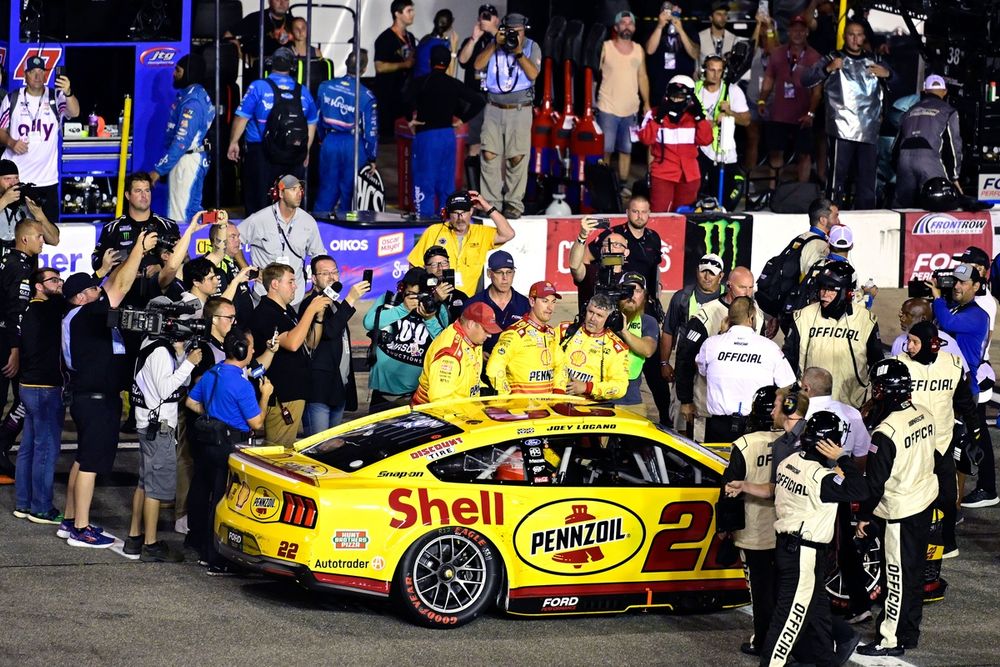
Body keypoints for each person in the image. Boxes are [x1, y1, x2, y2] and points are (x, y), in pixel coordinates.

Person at [729, 411, 867, 667]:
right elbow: (860, 489)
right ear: (830, 444)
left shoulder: (788, 462)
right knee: (788, 620)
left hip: (789, 547)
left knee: (816, 609)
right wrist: (843, 459)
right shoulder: (821, 479)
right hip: (804, 553)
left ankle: (826, 658)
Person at [58, 229, 158, 548]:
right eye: (92, 289)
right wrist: (139, 249)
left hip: (91, 397)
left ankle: (71, 520)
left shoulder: (79, 316)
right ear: (82, 296)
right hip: (96, 399)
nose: (98, 292)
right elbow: (120, 285)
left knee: (82, 459)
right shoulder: (84, 315)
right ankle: (82, 528)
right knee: (90, 463)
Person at [855, 359, 937, 657]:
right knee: (913, 573)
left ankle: (890, 639)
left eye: (878, 388)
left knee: (897, 575)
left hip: (900, 510)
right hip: (923, 501)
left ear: (887, 390)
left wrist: (864, 517)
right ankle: (909, 631)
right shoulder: (924, 414)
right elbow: (936, 457)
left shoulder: (885, 432)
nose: (875, 394)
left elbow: (875, 484)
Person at [186, 328, 272, 574]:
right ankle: (216, 558)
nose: (254, 351)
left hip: (207, 441)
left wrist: (214, 417)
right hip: (230, 446)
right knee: (223, 500)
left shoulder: (212, 373)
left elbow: (191, 402)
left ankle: (199, 545)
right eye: (252, 346)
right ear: (242, 350)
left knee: (202, 491)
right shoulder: (242, 385)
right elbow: (257, 423)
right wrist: (265, 396)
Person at [123, 310, 201, 563]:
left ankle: (135, 537)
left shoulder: (155, 345)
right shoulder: (157, 350)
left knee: (145, 483)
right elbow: (166, 388)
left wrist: (181, 355)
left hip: (150, 423)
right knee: (155, 488)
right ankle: (151, 544)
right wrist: (189, 362)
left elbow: (180, 382)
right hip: (158, 426)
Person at [897, 321, 978, 558]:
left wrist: (975, 433)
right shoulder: (900, 365)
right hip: (912, 442)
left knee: (947, 495)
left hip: (943, 441)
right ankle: (911, 542)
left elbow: (964, 401)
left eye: (914, 342)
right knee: (911, 494)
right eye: (908, 340)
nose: (909, 346)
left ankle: (948, 543)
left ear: (932, 345)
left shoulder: (952, 364)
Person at [800, 365, 874, 623]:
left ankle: (808, 606)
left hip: (807, 490)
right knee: (844, 549)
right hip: (840, 488)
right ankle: (860, 604)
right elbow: (863, 455)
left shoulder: (802, 413)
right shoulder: (851, 413)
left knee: (807, 548)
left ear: (806, 388)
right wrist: (846, 477)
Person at [716, 385, 782, 658]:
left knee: (759, 591)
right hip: (783, 526)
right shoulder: (791, 440)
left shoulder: (745, 444)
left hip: (754, 528)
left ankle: (763, 641)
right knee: (780, 588)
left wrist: (725, 530)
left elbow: (730, 488)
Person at [802, 19, 893, 209]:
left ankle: (866, 216)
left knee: (867, 179)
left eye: (859, 34)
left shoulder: (874, 60)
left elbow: (898, 81)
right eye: (851, 34)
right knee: (836, 177)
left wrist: (888, 74)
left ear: (864, 37)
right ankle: (831, 215)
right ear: (844, 36)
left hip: (868, 130)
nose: (855, 38)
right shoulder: (833, 57)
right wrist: (828, 69)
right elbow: (806, 79)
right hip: (841, 130)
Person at [928, 263, 995, 508]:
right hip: (948, 387)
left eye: (963, 282)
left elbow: (947, 324)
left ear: (976, 286)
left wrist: (937, 300)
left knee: (959, 451)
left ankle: (954, 507)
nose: (957, 286)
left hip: (964, 391)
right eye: (954, 281)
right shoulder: (956, 308)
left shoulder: (977, 315)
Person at [228, 47, 319, 214]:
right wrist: (305, 151)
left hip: (261, 152)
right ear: (293, 67)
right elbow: (312, 123)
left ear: (270, 64)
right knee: (289, 202)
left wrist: (233, 142)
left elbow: (242, 117)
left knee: (259, 201)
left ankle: (260, 237)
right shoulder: (303, 91)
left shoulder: (259, 87)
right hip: (294, 154)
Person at [247, 263, 330, 446]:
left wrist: (318, 317)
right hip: (282, 396)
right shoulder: (266, 313)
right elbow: (292, 344)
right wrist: (310, 310)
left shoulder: (286, 310)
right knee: (279, 453)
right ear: (275, 284)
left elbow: (310, 342)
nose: (296, 286)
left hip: (294, 392)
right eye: (290, 281)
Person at [675, 266, 764, 435]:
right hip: (708, 410)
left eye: (751, 287)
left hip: (744, 410)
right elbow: (685, 359)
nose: (747, 292)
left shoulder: (757, 316)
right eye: (742, 287)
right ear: (729, 285)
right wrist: (685, 400)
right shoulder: (706, 315)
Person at [695, 297, 796, 442]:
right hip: (756, 427)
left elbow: (702, 370)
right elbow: (787, 383)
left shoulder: (711, 344)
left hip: (718, 427)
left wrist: (721, 335)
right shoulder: (769, 347)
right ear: (752, 317)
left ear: (728, 318)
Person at [783, 261, 882, 408]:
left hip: (851, 408)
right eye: (822, 288)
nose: (824, 295)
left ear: (848, 293)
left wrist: (874, 402)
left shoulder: (866, 321)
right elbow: (788, 362)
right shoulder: (803, 317)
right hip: (810, 406)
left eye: (831, 290)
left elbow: (877, 364)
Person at [404, 45, 486, 219]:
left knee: (424, 181)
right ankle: (446, 220)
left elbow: (404, 98)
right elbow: (478, 101)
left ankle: (424, 222)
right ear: (449, 63)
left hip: (426, 137)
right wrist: (462, 119)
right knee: (446, 182)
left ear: (429, 61)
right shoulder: (453, 83)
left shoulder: (421, 82)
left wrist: (409, 119)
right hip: (448, 137)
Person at [473, 12, 541, 219]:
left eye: (517, 32)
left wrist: (519, 52)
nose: (514, 35)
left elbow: (533, 74)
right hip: (493, 107)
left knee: (516, 158)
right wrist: (495, 43)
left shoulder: (531, 46)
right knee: (489, 154)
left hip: (519, 109)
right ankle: (490, 203)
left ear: (524, 31)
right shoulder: (495, 44)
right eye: (510, 31)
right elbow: (477, 65)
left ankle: (513, 204)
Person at [11, 268, 65, 524]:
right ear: (38, 286)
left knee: (28, 448)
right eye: (53, 280)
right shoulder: (47, 309)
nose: (59, 284)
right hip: (44, 389)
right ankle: (41, 507)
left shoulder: (28, 311)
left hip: (28, 387)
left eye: (59, 279)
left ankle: (23, 503)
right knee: (46, 449)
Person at [0, 54, 80, 223]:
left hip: (46, 180)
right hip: (17, 181)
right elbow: (0, 131)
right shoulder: (12, 99)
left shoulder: (54, 98)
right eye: (32, 71)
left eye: (40, 71)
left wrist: (69, 92)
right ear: (25, 74)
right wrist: (12, 142)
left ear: (45, 74)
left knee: (49, 233)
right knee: (14, 232)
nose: (37, 76)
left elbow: (75, 112)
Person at [299, 255, 369, 434]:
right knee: (317, 446)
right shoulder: (310, 303)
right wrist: (351, 299)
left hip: (338, 388)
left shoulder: (335, 304)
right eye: (325, 273)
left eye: (334, 272)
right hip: (319, 391)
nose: (331, 277)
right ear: (314, 278)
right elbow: (329, 332)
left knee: (334, 447)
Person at [365, 267, 447, 412]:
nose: (416, 300)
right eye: (411, 295)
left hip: (417, 394)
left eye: (420, 295)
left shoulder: (438, 309)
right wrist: (402, 309)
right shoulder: (389, 300)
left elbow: (444, 345)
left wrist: (430, 319)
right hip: (383, 391)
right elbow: (369, 323)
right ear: (402, 289)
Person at [0, 219, 46, 472]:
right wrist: (15, 350)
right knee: (23, 400)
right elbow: (16, 312)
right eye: (39, 236)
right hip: (8, 342)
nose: (43, 240)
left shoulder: (11, 261)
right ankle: (2, 445)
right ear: (25, 239)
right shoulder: (20, 268)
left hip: (6, 338)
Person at [407, 189, 515, 295]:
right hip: (436, 298)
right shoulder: (434, 231)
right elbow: (414, 267)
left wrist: (487, 207)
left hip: (466, 302)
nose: (460, 218)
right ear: (449, 213)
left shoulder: (481, 233)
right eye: (455, 213)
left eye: (463, 213)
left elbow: (508, 234)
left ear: (471, 211)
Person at [239, 174, 324, 306]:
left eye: (300, 189)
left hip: (296, 297)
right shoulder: (259, 219)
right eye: (293, 189)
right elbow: (233, 240)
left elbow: (319, 254)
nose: (299, 193)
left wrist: (316, 285)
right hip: (264, 296)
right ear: (280, 193)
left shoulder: (308, 221)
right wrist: (247, 269)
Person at [757, 15, 822, 184]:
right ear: (788, 32)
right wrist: (762, 100)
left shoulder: (814, 57)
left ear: (807, 32)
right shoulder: (778, 53)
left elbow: (817, 91)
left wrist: (811, 113)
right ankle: (773, 189)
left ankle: (802, 190)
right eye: (794, 30)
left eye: (801, 30)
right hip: (779, 113)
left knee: (804, 154)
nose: (798, 34)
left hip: (802, 115)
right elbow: (769, 78)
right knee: (776, 152)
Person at [149, 54, 214, 223]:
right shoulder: (193, 94)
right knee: (191, 212)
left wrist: (158, 171)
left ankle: (182, 250)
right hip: (191, 158)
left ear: (189, 72)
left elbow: (181, 142)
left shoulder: (192, 101)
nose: (174, 74)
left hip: (187, 161)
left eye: (178, 70)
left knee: (180, 216)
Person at [314, 50, 378, 215]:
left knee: (326, 188)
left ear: (346, 64)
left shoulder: (325, 86)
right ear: (364, 69)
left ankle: (320, 226)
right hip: (353, 144)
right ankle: (346, 233)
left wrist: (322, 139)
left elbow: (317, 117)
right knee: (349, 192)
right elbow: (371, 131)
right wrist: (372, 157)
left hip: (330, 141)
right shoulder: (366, 95)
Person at [637, 75, 713, 211]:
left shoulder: (696, 116)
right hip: (663, 174)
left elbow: (706, 140)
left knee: (685, 216)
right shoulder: (654, 114)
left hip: (689, 175)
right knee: (659, 214)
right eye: (674, 96)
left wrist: (700, 118)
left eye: (681, 97)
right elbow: (645, 139)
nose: (676, 100)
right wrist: (658, 119)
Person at [596, 10, 650, 189]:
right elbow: (594, 75)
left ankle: (623, 186)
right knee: (605, 149)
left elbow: (642, 76)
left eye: (630, 23)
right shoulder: (606, 46)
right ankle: (603, 185)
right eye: (623, 23)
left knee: (626, 150)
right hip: (607, 107)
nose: (627, 26)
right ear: (616, 27)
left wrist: (646, 103)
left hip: (631, 109)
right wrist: (591, 100)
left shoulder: (639, 49)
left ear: (634, 27)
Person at [892, 75, 962, 208]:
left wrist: (900, 169)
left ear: (924, 91)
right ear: (945, 91)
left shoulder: (909, 111)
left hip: (904, 162)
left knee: (902, 209)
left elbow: (894, 148)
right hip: (930, 163)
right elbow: (954, 147)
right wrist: (954, 177)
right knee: (938, 207)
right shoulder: (949, 111)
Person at [411, 301, 501, 406]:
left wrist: (482, 389)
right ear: (471, 324)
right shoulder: (450, 355)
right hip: (433, 415)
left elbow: (469, 374)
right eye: (486, 330)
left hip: (464, 407)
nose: (489, 335)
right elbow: (440, 402)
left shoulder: (472, 340)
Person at [92, 172, 179, 275]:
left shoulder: (168, 225)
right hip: (124, 289)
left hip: (158, 288)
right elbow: (96, 262)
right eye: (138, 191)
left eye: (147, 190)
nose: (144, 195)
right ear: (127, 195)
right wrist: (127, 267)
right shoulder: (112, 228)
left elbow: (184, 260)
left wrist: (160, 268)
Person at [486, 280, 562, 395]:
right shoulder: (515, 334)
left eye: (553, 302)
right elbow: (493, 368)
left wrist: (559, 391)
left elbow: (561, 364)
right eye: (545, 301)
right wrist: (507, 396)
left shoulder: (551, 333)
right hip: (521, 410)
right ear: (532, 301)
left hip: (548, 409)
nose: (550, 307)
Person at [694, 55, 750, 206]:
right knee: (695, 192)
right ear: (704, 70)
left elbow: (746, 120)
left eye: (719, 71)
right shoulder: (695, 89)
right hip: (699, 149)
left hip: (723, 151)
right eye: (712, 70)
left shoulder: (732, 91)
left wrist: (730, 112)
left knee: (724, 198)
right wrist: (709, 123)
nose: (715, 74)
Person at [661, 253, 724, 386]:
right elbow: (668, 331)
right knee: (681, 405)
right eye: (703, 272)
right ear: (697, 272)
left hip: (717, 367)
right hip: (686, 365)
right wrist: (664, 363)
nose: (707, 277)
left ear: (721, 276)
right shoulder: (682, 297)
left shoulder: (728, 297)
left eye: (712, 273)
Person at [556, 292, 629, 401]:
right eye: (591, 312)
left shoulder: (617, 348)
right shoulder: (564, 330)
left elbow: (620, 387)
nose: (592, 318)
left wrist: (587, 387)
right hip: (556, 398)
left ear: (609, 319)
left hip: (591, 407)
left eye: (599, 315)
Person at [464, 250, 530, 359]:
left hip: (515, 370)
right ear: (489, 273)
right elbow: (462, 336)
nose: (505, 278)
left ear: (514, 273)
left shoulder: (525, 304)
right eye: (499, 272)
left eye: (509, 272)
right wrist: (477, 352)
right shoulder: (473, 304)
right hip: (481, 370)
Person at [457, 4, 500, 159]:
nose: (486, 19)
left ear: (497, 20)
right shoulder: (471, 41)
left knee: (495, 144)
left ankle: (493, 181)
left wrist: (494, 32)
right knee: (474, 142)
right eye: (483, 16)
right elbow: (462, 60)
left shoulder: (502, 40)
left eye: (490, 16)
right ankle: (473, 182)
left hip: (495, 98)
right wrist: (474, 38)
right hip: (474, 97)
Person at [615, 272, 658, 417]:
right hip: (600, 398)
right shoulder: (603, 315)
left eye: (638, 291)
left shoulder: (648, 322)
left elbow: (648, 350)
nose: (632, 295)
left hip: (630, 399)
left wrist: (624, 331)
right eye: (628, 289)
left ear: (644, 296)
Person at [373, 0, 417, 139]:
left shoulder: (409, 37)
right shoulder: (385, 38)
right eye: (409, 11)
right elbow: (379, 66)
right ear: (397, 14)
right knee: (389, 137)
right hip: (389, 96)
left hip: (405, 94)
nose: (413, 14)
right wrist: (404, 65)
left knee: (405, 135)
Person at [0, 159, 59, 259]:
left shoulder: (26, 204)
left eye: (16, 178)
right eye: (7, 179)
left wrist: (39, 215)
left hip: (24, 269)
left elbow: (54, 240)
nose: (13, 183)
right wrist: (4, 201)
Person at [889, 297, 967, 372]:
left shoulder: (946, 342)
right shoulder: (899, 341)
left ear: (923, 319)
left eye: (907, 315)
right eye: (902, 314)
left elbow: (965, 374)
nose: (902, 318)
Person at [644, 3, 697, 105]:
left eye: (672, 11)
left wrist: (680, 29)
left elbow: (694, 53)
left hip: (682, 89)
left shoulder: (688, 28)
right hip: (658, 89)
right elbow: (650, 50)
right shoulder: (653, 28)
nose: (669, 14)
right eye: (666, 10)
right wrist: (660, 26)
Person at [229, 0, 295, 75]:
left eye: (285, 0)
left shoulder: (293, 22)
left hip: (287, 73)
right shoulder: (255, 18)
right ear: (270, 1)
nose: (282, 2)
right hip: (258, 73)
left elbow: (302, 45)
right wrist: (244, 56)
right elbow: (228, 35)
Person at [421, 245, 468, 323]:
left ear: (449, 265)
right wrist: (434, 299)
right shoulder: (419, 291)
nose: (440, 268)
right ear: (425, 267)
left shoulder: (461, 296)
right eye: (434, 265)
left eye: (444, 263)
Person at [696, 1, 740, 65]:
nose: (723, 18)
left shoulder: (733, 38)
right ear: (711, 18)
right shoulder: (700, 36)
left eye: (725, 14)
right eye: (719, 14)